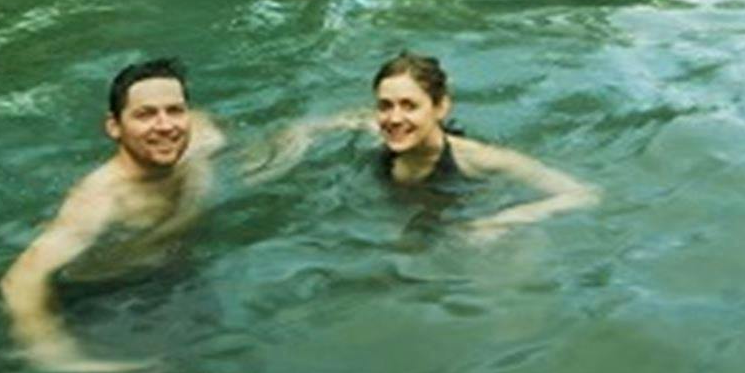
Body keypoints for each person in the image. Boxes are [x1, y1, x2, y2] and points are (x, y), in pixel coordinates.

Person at [0, 57, 223, 373]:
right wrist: (56, 355)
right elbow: (20, 279)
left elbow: (239, 145)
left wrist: (301, 136)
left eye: (175, 110)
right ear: (114, 127)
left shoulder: (200, 141)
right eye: (145, 114)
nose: (166, 125)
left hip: (176, 273)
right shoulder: (102, 200)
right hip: (111, 296)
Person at [253, 51, 599, 241]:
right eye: (385, 105)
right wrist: (301, 134)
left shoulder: (479, 159)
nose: (393, 118)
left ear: (441, 107)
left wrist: (504, 220)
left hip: (460, 219)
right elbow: (344, 120)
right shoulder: (382, 132)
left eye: (409, 105)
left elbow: (582, 194)